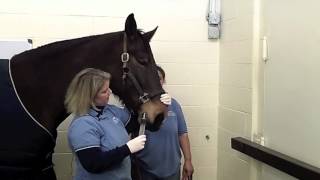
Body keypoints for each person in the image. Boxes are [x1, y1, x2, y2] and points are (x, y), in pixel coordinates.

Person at [65, 68, 170, 180]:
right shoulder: (82, 124)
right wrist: (127, 149)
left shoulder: (111, 112)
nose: (109, 93)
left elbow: (143, 122)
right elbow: (93, 163)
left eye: (108, 89)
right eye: (104, 91)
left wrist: (158, 104)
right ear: (90, 96)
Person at [136, 65, 194, 180]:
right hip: (145, 171)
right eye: (152, 78)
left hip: (172, 171)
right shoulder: (138, 106)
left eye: (159, 78)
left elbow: (182, 134)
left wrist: (188, 160)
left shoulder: (174, 105)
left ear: (163, 81)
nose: (156, 82)